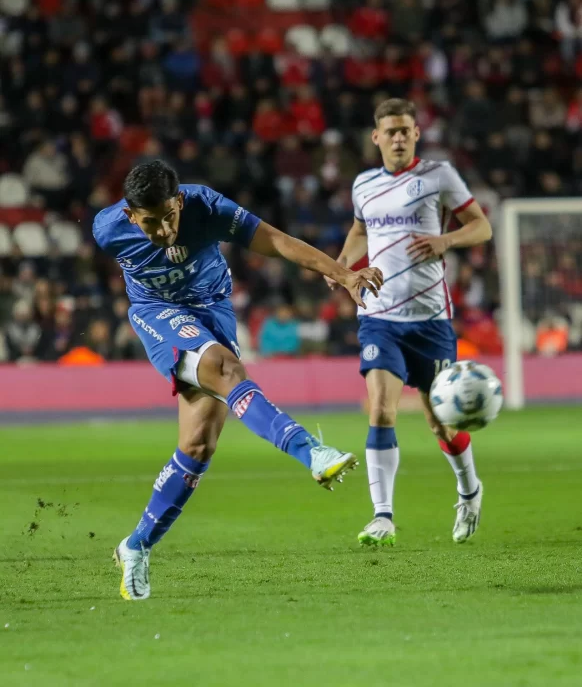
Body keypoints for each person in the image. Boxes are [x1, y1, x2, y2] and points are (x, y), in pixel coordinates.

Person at [93, 159, 383, 600]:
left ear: (180, 202)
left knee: (197, 445)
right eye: (149, 223)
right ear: (131, 216)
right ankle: (312, 452)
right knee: (227, 370)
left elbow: (277, 242)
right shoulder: (107, 229)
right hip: (157, 314)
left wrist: (344, 275)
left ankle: (135, 547)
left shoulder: (207, 206)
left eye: (169, 217)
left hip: (213, 310)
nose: (163, 231)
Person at [326, 98, 492, 547]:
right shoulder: (363, 184)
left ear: (416, 134)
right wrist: (343, 267)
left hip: (431, 320)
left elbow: (481, 227)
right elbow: (361, 230)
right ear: (376, 138)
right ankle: (382, 516)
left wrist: (446, 239)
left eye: (405, 130)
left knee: (442, 423)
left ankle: (469, 490)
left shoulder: (438, 176)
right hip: (379, 316)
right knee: (381, 408)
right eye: (390, 131)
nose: (398, 138)